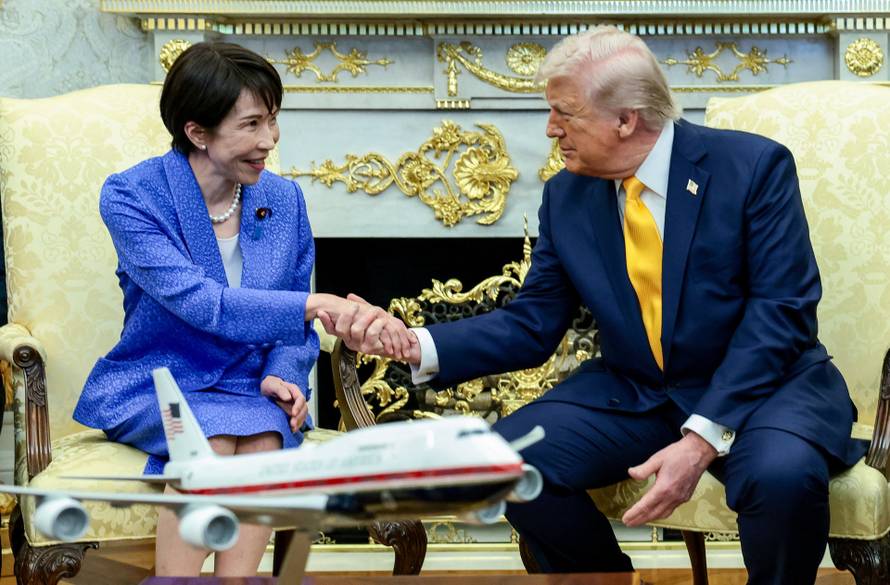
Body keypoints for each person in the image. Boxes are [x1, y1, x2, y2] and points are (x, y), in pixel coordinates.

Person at [327, 26, 869, 584]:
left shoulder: (752, 168)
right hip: (643, 394)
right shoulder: (568, 194)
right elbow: (532, 322)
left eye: (564, 112)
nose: (550, 128)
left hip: (765, 389)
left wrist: (703, 436)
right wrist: (413, 343)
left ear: (626, 119)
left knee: (781, 477)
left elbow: (781, 311)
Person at [73, 42, 413, 577]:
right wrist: (314, 304)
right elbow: (202, 302)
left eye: (272, 120)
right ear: (197, 132)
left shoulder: (284, 199)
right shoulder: (132, 196)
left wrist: (283, 374)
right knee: (207, 438)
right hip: (159, 380)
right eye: (252, 124)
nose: (269, 140)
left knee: (265, 437)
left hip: (251, 384)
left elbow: (292, 331)